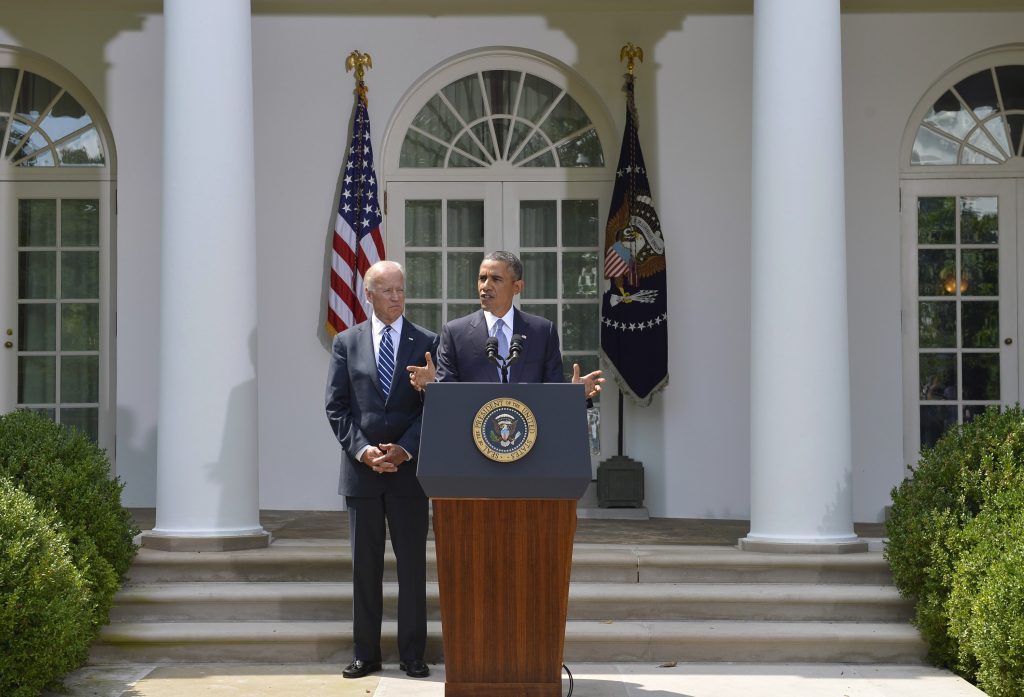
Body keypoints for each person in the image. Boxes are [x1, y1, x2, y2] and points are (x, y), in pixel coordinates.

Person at [325, 260, 439, 680]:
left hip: (409, 475)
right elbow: (336, 407)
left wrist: (405, 450)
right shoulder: (346, 342)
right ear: (368, 295)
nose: (396, 297)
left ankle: (413, 654)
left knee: (412, 568)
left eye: (401, 290)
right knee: (365, 568)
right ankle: (366, 655)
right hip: (363, 475)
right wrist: (364, 451)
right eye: (387, 290)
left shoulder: (427, 341)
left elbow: (435, 407)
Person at [406, 250, 603, 397]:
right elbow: (447, 398)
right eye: (482, 278)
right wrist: (432, 385)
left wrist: (576, 395)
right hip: (473, 441)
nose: (485, 286)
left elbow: (553, 392)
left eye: (496, 279)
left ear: (517, 287)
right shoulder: (455, 332)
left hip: (529, 441)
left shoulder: (542, 331)